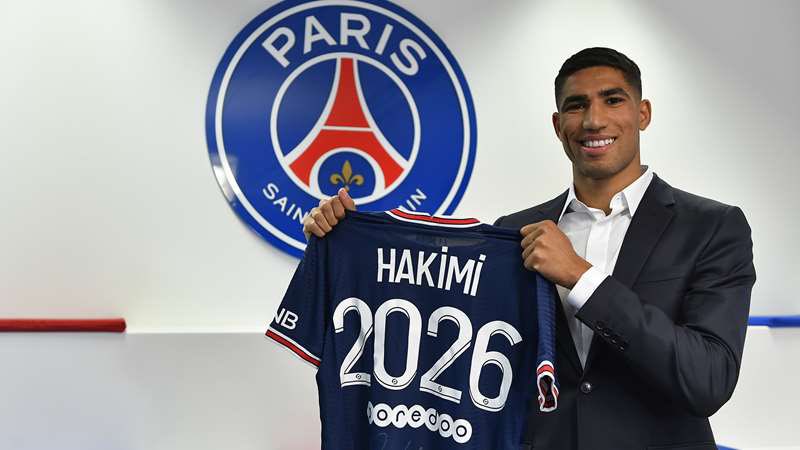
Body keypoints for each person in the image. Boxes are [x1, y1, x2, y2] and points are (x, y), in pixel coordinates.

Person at [302, 47, 756, 450]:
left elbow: (708, 379)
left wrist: (581, 277)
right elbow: (444, 327)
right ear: (558, 126)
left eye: (612, 100)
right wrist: (347, 238)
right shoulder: (513, 232)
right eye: (576, 105)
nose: (593, 120)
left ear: (643, 114)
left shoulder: (712, 227)